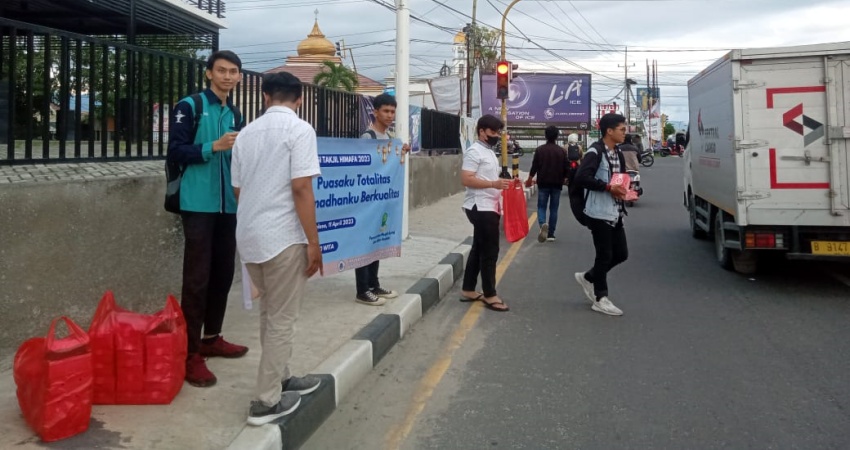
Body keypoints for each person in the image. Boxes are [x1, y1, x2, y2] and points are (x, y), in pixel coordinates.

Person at [230, 71, 323, 425]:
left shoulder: (245, 134)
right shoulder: (300, 130)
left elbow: (238, 190)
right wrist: (313, 241)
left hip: (250, 236)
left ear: (266, 97)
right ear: (299, 99)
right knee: (282, 319)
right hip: (283, 236)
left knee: (270, 312)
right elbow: (301, 187)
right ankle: (266, 401)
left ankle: (281, 378)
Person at [167, 50, 248, 387]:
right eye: (222, 70)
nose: (228, 76)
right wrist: (212, 146)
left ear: (239, 77)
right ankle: (189, 354)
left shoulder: (235, 113)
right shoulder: (189, 106)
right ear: (209, 73)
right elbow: (175, 150)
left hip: (228, 205)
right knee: (197, 279)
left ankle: (211, 338)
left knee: (223, 274)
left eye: (233, 72)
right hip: (197, 203)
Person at [572, 113, 630, 316]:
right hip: (598, 212)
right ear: (609, 131)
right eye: (622, 129)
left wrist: (627, 191)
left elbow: (619, 179)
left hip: (615, 211)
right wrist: (607, 187)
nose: (625, 133)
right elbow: (581, 177)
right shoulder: (594, 152)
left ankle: (588, 277)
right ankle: (600, 298)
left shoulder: (618, 152)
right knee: (604, 255)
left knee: (621, 254)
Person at [355, 93, 409, 306]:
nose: (389, 115)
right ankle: (362, 290)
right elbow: (362, 168)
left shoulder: (390, 138)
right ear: (375, 112)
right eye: (385, 111)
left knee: (376, 243)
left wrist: (401, 153)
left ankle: (374, 284)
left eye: (392, 111)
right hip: (367, 201)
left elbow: (390, 166)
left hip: (381, 201)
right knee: (363, 245)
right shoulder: (367, 138)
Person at [459, 115, 512, 312]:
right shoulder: (474, 151)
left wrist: (502, 184)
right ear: (482, 131)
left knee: (478, 248)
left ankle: (468, 289)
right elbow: (466, 179)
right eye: (493, 132)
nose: (496, 135)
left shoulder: (488, 151)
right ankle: (490, 294)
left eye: (498, 132)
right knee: (490, 251)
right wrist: (493, 184)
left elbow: (488, 176)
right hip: (480, 207)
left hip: (490, 205)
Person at [525, 125, 569, 243]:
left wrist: (529, 180)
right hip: (557, 184)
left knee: (541, 206)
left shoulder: (540, 150)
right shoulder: (562, 151)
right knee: (554, 209)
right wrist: (565, 178)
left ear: (545, 136)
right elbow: (567, 168)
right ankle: (551, 234)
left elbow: (534, 167)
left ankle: (542, 225)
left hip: (543, 183)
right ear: (557, 136)